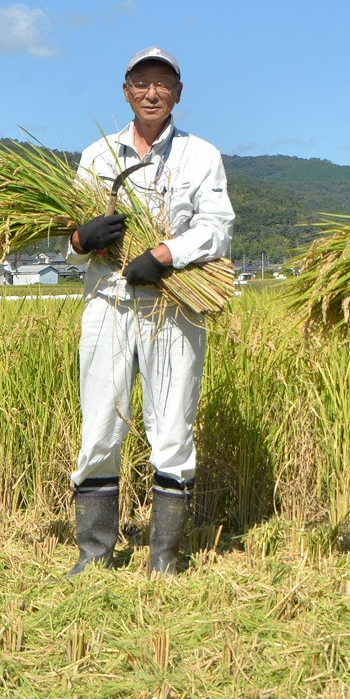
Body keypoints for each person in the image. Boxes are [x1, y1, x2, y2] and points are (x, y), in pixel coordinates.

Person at [61, 47, 235, 576]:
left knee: (172, 430)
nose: (152, 92)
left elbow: (218, 227)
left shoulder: (201, 155)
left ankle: (164, 558)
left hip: (174, 305)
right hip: (107, 304)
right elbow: (69, 245)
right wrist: (81, 238)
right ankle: (94, 551)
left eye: (163, 84)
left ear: (178, 93)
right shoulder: (97, 156)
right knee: (99, 428)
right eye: (142, 83)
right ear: (126, 91)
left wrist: (164, 256)